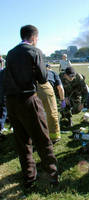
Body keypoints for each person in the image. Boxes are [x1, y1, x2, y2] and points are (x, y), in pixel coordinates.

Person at [4, 25, 58, 188]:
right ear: (34, 37)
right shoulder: (35, 51)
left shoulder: (10, 53)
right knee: (42, 138)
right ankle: (51, 174)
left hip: (12, 102)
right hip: (28, 98)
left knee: (22, 142)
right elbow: (42, 78)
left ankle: (28, 177)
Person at [37, 64, 64, 143]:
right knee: (52, 113)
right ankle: (54, 136)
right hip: (46, 89)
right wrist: (62, 100)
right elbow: (60, 88)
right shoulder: (53, 73)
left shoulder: (35, 72)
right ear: (49, 68)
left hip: (32, 90)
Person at [0, 68, 7, 141]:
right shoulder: (7, 72)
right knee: (3, 112)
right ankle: (0, 128)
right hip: (5, 94)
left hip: (2, 93)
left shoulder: (2, 72)